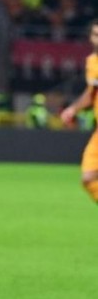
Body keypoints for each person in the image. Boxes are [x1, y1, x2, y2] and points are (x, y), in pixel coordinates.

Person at [61, 19, 98, 203]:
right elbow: (92, 93)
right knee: (88, 178)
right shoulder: (92, 62)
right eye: (95, 35)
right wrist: (73, 109)